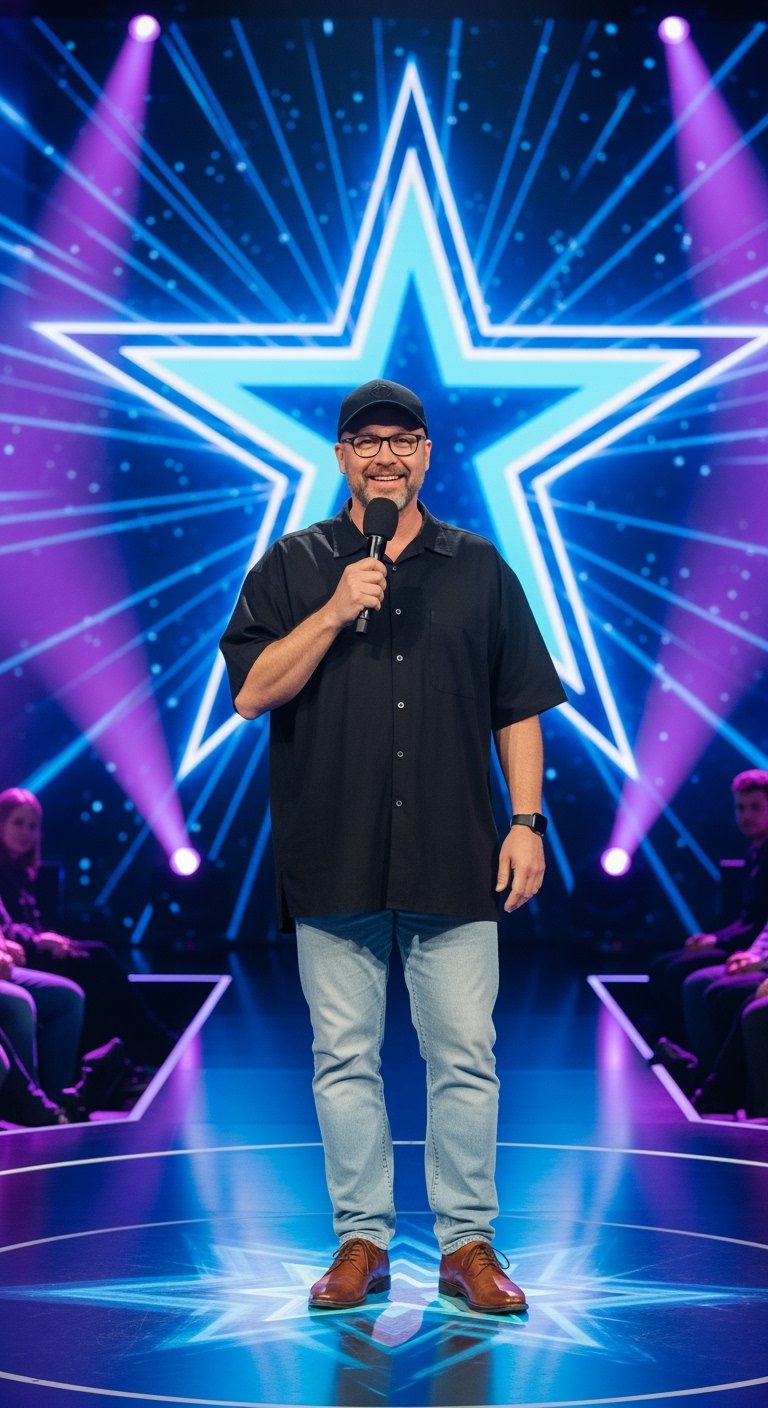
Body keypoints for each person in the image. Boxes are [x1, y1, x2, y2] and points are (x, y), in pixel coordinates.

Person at [220, 378, 566, 1314]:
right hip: (331, 850)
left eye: (402, 440)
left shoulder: (478, 565)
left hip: (456, 853)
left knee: (466, 1056)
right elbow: (251, 693)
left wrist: (526, 822)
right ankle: (362, 1242)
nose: (385, 456)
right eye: (367, 441)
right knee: (344, 1058)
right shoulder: (294, 564)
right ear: (341, 457)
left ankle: (468, 1246)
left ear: (425, 454)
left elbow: (520, 705)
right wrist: (334, 610)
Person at [0, 788, 175, 1068]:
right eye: (18, 823)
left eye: (32, 826)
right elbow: (7, 929)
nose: (26, 832)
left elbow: (25, 925)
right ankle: (149, 1047)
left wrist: (49, 940)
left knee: (95, 958)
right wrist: (38, 941)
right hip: (18, 955)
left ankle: (131, 1053)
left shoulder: (21, 870)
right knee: (95, 963)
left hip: (26, 948)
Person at [649, 769, 768, 1051]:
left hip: (752, 947)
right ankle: (674, 1048)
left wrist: (725, 944)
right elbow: (751, 919)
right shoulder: (755, 853)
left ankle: (693, 1058)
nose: (746, 816)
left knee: (684, 973)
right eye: (740, 808)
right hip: (753, 946)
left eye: (755, 807)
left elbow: (756, 923)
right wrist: (715, 938)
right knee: (664, 965)